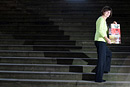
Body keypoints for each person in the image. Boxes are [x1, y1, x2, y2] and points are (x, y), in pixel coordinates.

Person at [94, 6, 117, 82]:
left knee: (109, 54)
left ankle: (104, 69)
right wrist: (107, 39)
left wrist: (113, 26)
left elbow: (106, 31)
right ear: (103, 11)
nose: (108, 13)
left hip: (102, 41)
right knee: (101, 60)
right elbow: (100, 31)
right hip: (100, 41)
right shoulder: (101, 19)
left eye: (109, 12)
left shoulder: (104, 21)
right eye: (107, 11)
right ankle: (98, 78)